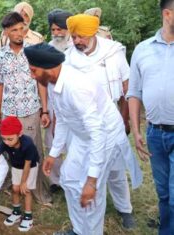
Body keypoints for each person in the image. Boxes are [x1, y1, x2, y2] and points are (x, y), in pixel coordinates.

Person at [23, 43, 142, 235]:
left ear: (48, 67)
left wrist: (92, 181)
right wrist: (53, 154)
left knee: (90, 192)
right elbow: (62, 118)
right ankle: (79, 230)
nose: (32, 75)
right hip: (82, 135)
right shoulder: (53, 82)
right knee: (69, 179)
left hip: (105, 136)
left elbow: (98, 134)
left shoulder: (77, 87)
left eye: (33, 70)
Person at [64, 13, 136, 229]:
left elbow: (126, 87)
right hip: (82, 124)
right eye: (74, 37)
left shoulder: (113, 52)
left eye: (82, 37)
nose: (77, 41)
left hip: (111, 120)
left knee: (115, 170)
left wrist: (125, 120)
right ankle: (85, 223)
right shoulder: (69, 57)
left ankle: (125, 210)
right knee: (88, 171)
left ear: (94, 33)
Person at [0, 12, 52, 205]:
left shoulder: (33, 51)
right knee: (13, 151)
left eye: (21, 29)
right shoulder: (0, 55)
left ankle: (40, 192)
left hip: (30, 110)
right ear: (6, 32)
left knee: (34, 151)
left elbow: (41, 83)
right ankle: (17, 186)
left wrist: (44, 110)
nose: (19, 33)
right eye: (14, 30)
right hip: (10, 112)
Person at [127, 0, 174, 234]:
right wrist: (136, 131)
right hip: (155, 133)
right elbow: (134, 93)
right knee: (164, 192)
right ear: (168, 14)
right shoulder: (143, 50)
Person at [0, 116, 38, 232]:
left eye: (10, 139)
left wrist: (23, 182)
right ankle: (16, 212)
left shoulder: (28, 144)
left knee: (25, 190)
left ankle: (28, 216)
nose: (7, 142)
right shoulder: (5, 143)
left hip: (30, 167)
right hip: (16, 166)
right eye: (4, 139)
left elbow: (28, 164)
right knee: (15, 189)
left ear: (20, 134)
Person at [46, 8, 73, 193]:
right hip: (52, 101)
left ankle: (72, 179)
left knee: (74, 143)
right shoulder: (47, 48)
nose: (56, 33)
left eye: (60, 29)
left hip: (73, 103)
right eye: (53, 30)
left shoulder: (77, 47)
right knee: (52, 141)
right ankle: (56, 181)